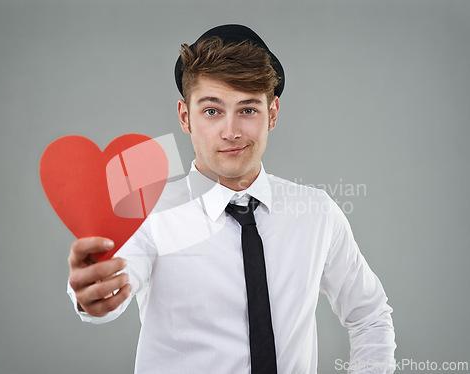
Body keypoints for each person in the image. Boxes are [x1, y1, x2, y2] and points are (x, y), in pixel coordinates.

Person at [67, 24, 396, 373]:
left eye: (248, 109)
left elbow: (370, 316)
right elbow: (113, 286)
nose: (231, 131)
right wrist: (94, 297)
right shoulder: (148, 212)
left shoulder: (316, 213)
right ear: (185, 116)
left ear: (272, 113)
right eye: (212, 111)